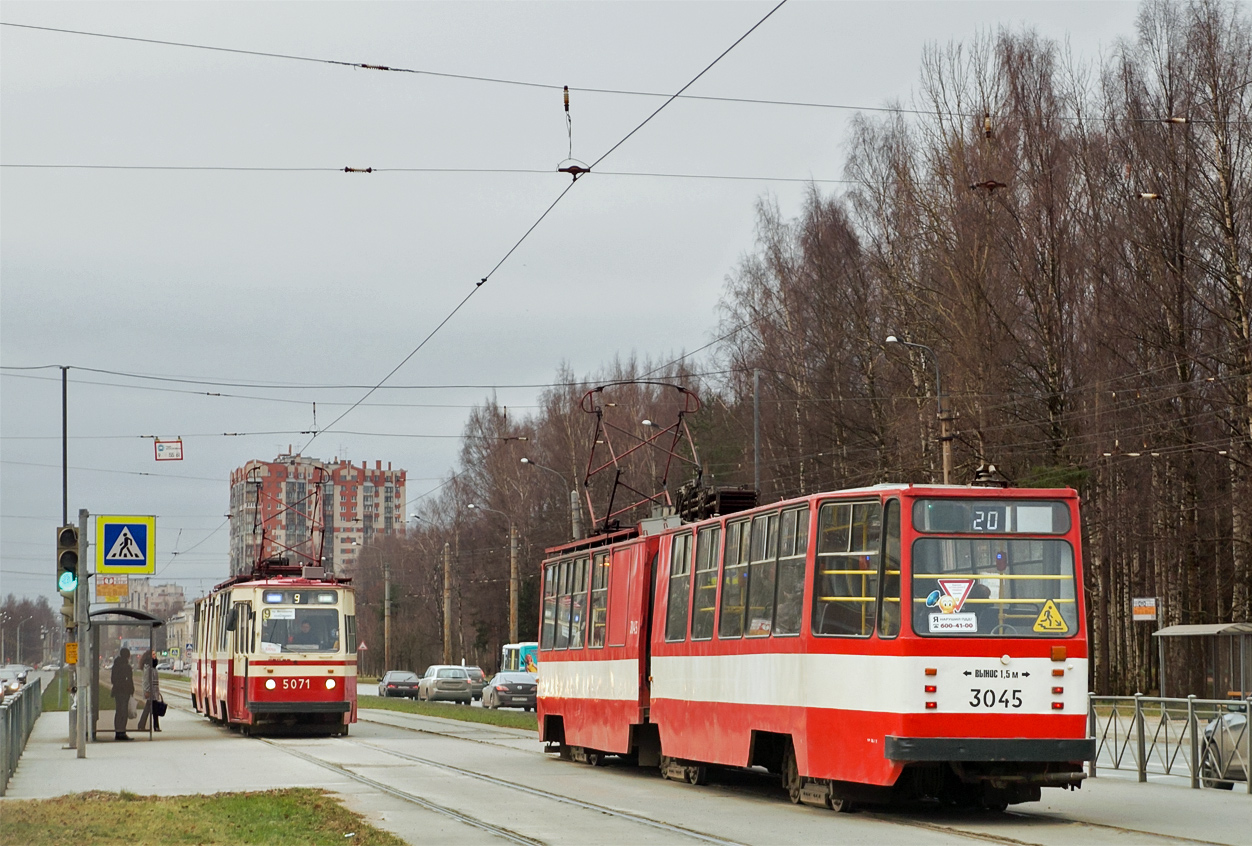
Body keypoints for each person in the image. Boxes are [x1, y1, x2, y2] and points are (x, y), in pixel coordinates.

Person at [110, 647, 134, 741]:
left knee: (118, 711)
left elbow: (113, 679)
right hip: (125, 692)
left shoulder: (115, 666)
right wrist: (131, 690)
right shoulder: (127, 667)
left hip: (117, 691)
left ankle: (118, 732)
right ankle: (122, 732)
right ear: (127, 656)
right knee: (124, 712)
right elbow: (130, 680)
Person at [136, 651, 162, 732]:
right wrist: (147, 691)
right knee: (150, 709)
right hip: (150, 691)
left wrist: (157, 691)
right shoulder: (148, 666)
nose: (155, 656)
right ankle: (149, 725)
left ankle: (147, 725)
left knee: (151, 709)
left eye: (155, 654)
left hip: (154, 691)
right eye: (153, 654)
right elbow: (146, 680)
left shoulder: (153, 666)